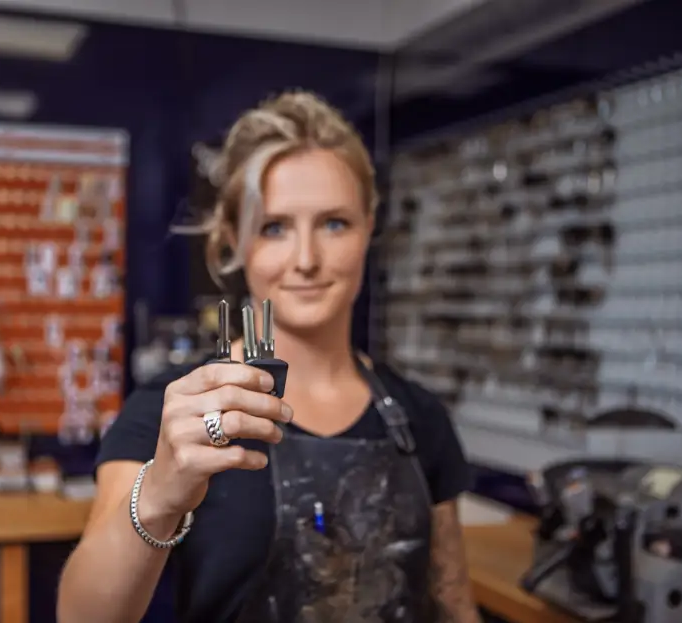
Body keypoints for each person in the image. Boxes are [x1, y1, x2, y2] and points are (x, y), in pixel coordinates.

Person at [57, 91, 481, 623]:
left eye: (334, 223)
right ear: (235, 239)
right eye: (275, 227)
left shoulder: (419, 417)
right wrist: (160, 495)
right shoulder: (173, 412)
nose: (306, 259)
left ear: (369, 228)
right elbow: (83, 616)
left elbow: (454, 604)